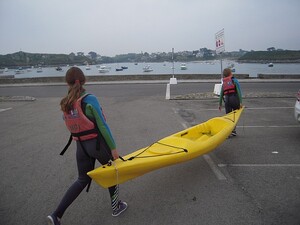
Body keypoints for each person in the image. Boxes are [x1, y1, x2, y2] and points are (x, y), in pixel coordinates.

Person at [47, 67, 128, 225]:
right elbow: (102, 126)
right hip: (98, 146)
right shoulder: (90, 99)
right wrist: (113, 148)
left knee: (82, 179)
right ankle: (116, 206)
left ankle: (56, 215)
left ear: (67, 82)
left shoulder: (66, 102)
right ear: (83, 80)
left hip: (81, 147)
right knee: (112, 173)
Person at [218, 68, 243, 136]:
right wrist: (241, 102)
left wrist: (220, 104)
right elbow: (239, 92)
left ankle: (229, 132)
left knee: (228, 117)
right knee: (234, 116)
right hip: (234, 99)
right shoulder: (234, 80)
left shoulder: (224, 83)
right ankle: (233, 130)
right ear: (230, 73)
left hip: (227, 101)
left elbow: (221, 95)